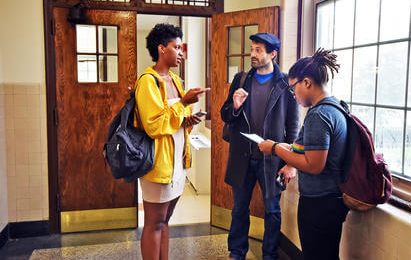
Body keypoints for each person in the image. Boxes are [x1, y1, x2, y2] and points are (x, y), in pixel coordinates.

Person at [258, 48, 350, 260]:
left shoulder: (320, 115)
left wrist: (274, 148)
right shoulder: (334, 107)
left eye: (293, 88)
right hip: (328, 200)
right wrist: (284, 148)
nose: (293, 95)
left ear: (307, 82)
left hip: (320, 202)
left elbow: (313, 165)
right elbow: (308, 152)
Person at [221, 33, 300, 260]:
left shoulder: (285, 83)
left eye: (258, 50)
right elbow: (225, 115)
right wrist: (234, 106)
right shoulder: (241, 78)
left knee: (272, 211)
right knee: (239, 209)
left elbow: (293, 126)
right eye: (252, 49)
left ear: (272, 54)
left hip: (273, 159)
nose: (252, 54)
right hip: (242, 156)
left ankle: (269, 255)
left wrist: (290, 162)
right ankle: (236, 253)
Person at [134, 23, 208, 260]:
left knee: (165, 221)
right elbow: (154, 125)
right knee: (154, 223)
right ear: (161, 49)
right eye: (176, 47)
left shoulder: (175, 80)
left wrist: (188, 120)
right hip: (158, 163)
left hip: (176, 162)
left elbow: (174, 119)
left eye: (181, 47)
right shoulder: (148, 81)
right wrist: (184, 103)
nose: (180, 53)